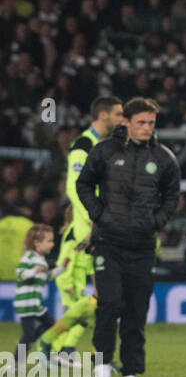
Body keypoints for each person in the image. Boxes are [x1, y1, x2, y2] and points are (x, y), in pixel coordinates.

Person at [76, 97, 180, 377]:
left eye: (151, 123)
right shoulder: (104, 152)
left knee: (136, 310)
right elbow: (83, 184)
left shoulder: (164, 158)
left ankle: (131, 371)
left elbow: (172, 197)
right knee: (109, 304)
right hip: (108, 243)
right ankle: (102, 365)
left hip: (143, 246)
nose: (147, 128)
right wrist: (100, 215)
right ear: (127, 123)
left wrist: (156, 222)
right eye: (141, 123)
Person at [49, 96, 122, 362]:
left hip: (98, 230)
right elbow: (74, 186)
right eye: (118, 114)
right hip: (86, 233)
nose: (121, 120)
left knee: (98, 297)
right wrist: (93, 217)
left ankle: (69, 350)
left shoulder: (103, 146)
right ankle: (61, 348)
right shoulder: (83, 145)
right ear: (103, 116)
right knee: (95, 297)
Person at [13, 226, 65, 358]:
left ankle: (27, 342)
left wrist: (63, 267)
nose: (52, 244)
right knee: (30, 333)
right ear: (37, 243)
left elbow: (48, 276)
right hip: (26, 304)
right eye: (49, 241)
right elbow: (20, 273)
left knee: (51, 324)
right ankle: (16, 362)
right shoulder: (29, 256)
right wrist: (34, 271)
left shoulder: (41, 261)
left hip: (35, 304)